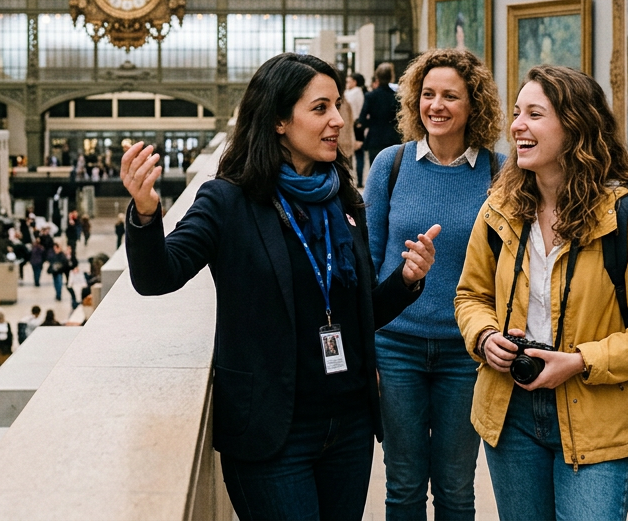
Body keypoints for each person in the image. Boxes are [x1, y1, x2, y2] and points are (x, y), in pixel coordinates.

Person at [122, 52, 438, 520]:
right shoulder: (228, 199)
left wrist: (408, 281)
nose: (337, 120)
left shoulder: (343, 196)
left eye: (336, 106)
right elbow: (157, 277)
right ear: (277, 121)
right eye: (320, 108)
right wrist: (147, 215)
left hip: (348, 426)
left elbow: (358, 311)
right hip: (274, 435)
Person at [454, 65, 628, 521]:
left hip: (596, 414)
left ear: (575, 127)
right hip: (511, 410)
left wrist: (580, 361)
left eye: (534, 114)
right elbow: (470, 296)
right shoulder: (500, 209)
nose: (516, 125)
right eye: (517, 113)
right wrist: (484, 338)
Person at [364, 49, 504, 521]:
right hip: (396, 346)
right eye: (427, 95)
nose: (436, 106)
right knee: (402, 485)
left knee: (455, 487)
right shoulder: (391, 163)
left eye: (450, 96)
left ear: (473, 105)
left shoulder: (498, 172)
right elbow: (368, 257)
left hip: (466, 353)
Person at [357, 62, 401, 184]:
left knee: (376, 171)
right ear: (391, 77)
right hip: (393, 137)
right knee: (393, 172)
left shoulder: (370, 96)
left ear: (377, 77)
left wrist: (368, 124)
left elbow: (362, 118)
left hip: (375, 137)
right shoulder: (396, 96)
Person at [345, 73, 367, 184]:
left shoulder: (353, 94)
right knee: (359, 155)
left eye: (349, 81)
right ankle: (359, 180)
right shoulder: (360, 93)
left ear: (355, 82)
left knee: (352, 153)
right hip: (359, 126)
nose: (347, 84)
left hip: (353, 125)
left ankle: (352, 179)